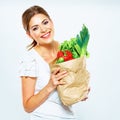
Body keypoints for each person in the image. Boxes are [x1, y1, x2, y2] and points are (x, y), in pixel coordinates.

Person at [19, 5, 89, 120]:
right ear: (29, 34)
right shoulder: (30, 60)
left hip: (69, 117)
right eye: (35, 28)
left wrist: (78, 91)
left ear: (51, 22)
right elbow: (27, 107)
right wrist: (50, 86)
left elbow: (64, 93)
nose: (43, 29)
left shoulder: (66, 49)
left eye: (45, 22)